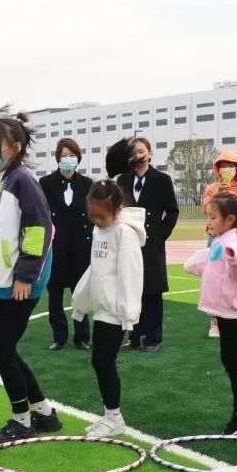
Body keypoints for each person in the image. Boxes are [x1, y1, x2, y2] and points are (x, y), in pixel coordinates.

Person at [0, 107, 62, 443]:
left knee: (1, 350)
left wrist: (25, 276)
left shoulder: (23, 181)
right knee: (4, 348)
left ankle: (22, 421)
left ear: (14, 148)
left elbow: (39, 230)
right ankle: (44, 413)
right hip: (3, 278)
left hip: (21, 279)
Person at [72, 180, 144, 437]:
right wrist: (81, 300)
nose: (97, 221)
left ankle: (114, 418)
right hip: (103, 305)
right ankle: (111, 416)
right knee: (100, 360)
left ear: (117, 209)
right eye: (93, 216)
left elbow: (131, 272)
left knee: (103, 360)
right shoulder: (99, 230)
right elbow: (95, 269)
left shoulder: (124, 232)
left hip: (116, 308)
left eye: (102, 217)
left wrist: (128, 311)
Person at [185, 192, 237, 434]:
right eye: (208, 216)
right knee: (229, 358)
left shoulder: (231, 244)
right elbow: (211, 262)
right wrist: (192, 265)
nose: (209, 221)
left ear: (229, 220)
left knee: (231, 360)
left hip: (232, 311)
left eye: (213, 217)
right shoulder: (220, 240)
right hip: (224, 309)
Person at [116, 138, 179, 352]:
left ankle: (152, 338)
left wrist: (160, 234)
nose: (138, 156)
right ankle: (134, 336)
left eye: (141, 151)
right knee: (132, 289)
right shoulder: (123, 179)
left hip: (152, 244)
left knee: (152, 291)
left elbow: (172, 211)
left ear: (150, 153)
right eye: (134, 153)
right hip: (129, 243)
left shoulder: (162, 179)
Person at [40, 138, 93, 351]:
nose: (68, 159)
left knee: (80, 294)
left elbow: (93, 214)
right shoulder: (45, 183)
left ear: (78, 158)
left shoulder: (88, 184)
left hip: (81, 249)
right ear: (57, 158)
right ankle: (59, 337)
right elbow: (41, 214)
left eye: (72, 155)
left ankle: (82, 337)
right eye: (64, 155)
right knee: (55, 295)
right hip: (55, 248)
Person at [202, 150, 237, 336]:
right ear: (218, 169)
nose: (227, 169)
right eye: (223, 166)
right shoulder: (212, 189)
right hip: (216, 239)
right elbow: (206, 209)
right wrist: (220, 191)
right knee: (214, 278)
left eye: (230, 166)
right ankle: (215, 321)